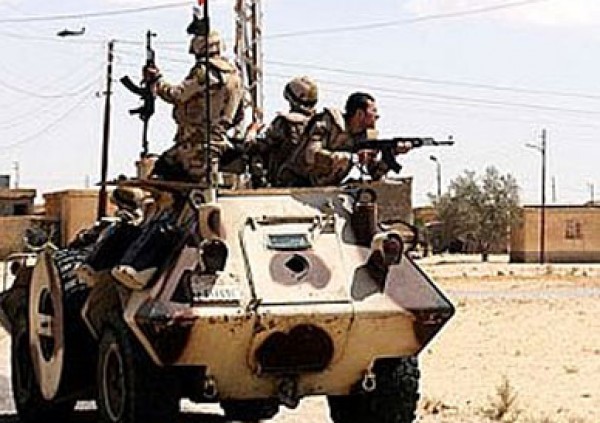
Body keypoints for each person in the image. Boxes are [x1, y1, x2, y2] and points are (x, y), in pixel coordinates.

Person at [145, 29, 244, 183]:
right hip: (218, 143)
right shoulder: (235, 77)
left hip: (194, 146)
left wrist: (157, 80)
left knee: (160, 180)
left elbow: (177, 95)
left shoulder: (204, 72)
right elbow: (238, 116)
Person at [291, 92, 411, 187]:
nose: (377, 116)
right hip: (296, 183)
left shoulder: (367, 136)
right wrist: (353, 158)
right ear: (360, 114)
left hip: (327, 188)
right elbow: (311, 155)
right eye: (373, 111)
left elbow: (375, 173)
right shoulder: (328, 122)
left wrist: (392, 153)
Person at [245, 76, 319, 187]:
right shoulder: (318, 123)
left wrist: (252, 131)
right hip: (311, 183)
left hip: (282, 183)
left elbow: (253, 146)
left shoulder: (285, 122)